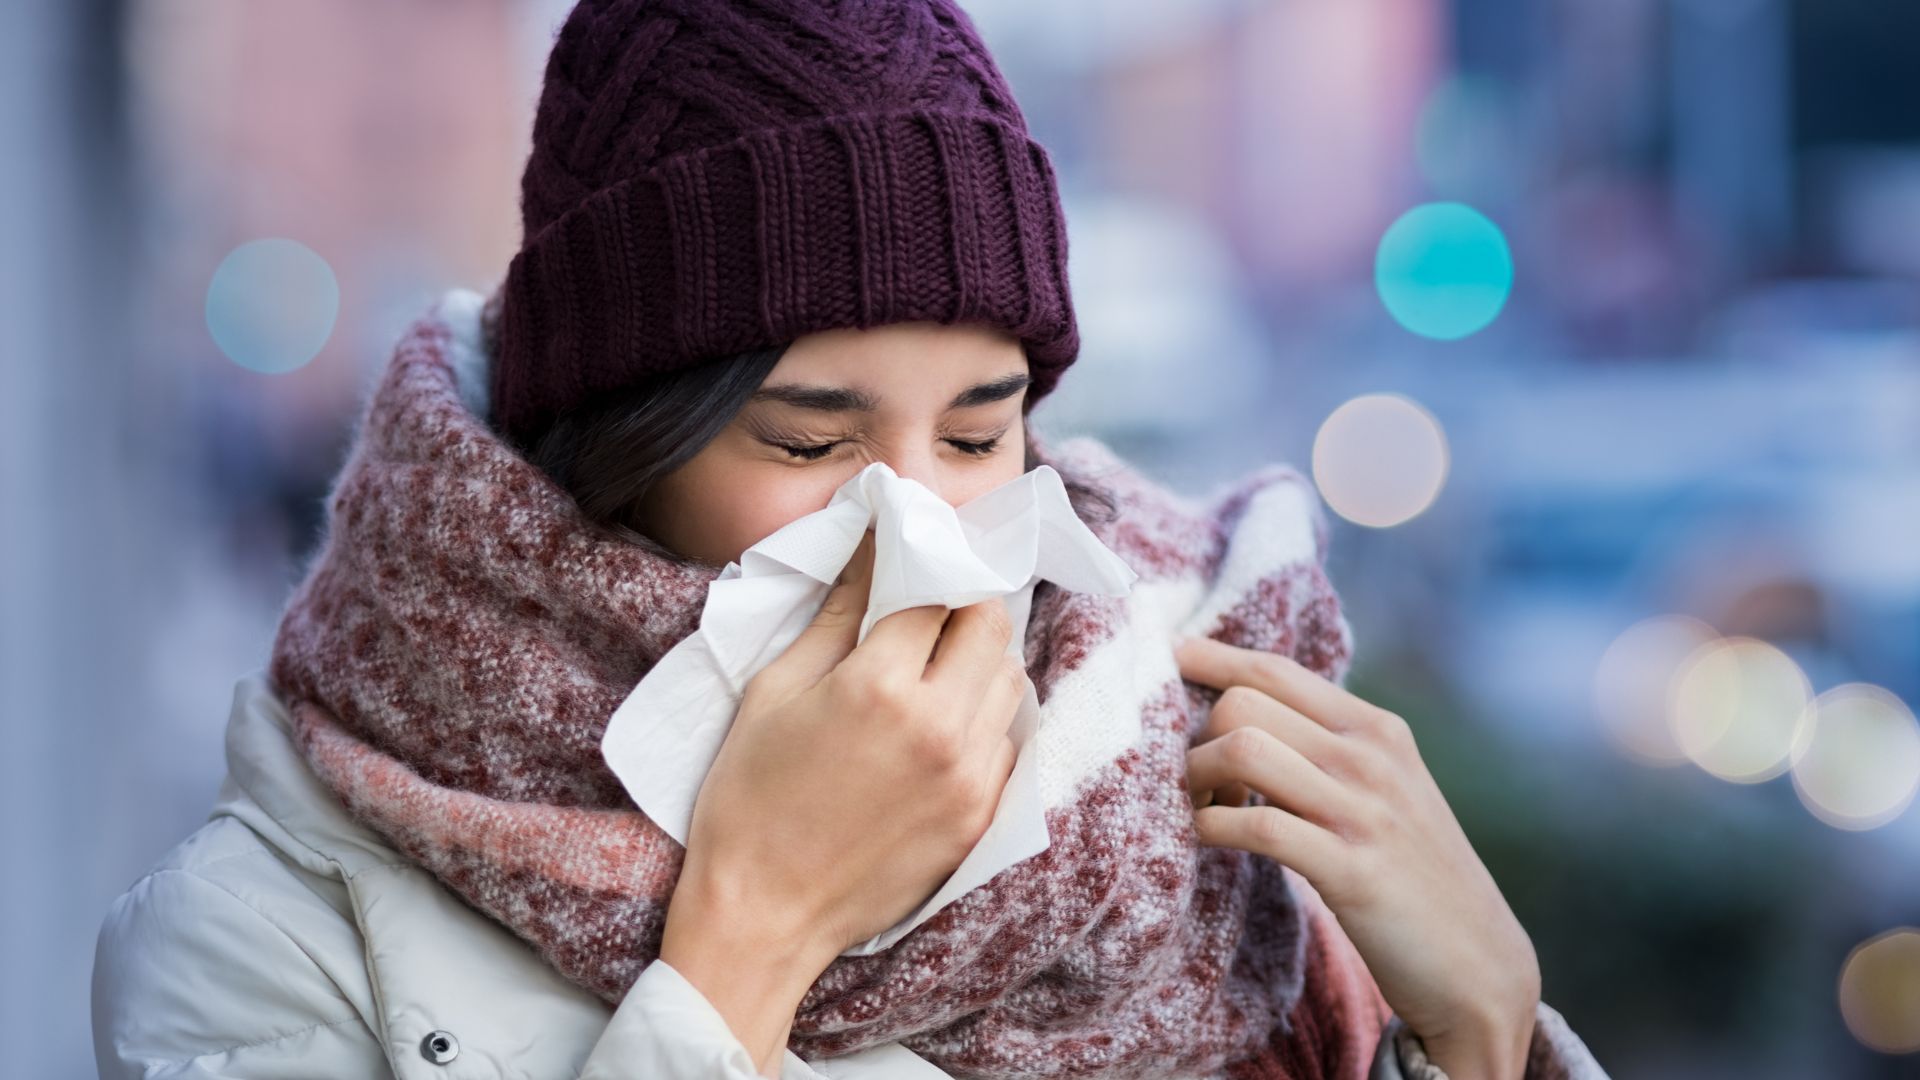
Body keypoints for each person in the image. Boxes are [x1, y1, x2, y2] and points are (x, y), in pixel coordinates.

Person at [92, 2, 1611, 1078]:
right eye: (812, 442)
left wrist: (1484, 1040)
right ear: (613, 448)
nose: (927, 530)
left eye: (975, 433)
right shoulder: (268, 936)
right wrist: (752, 938)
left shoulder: (1195, 763)